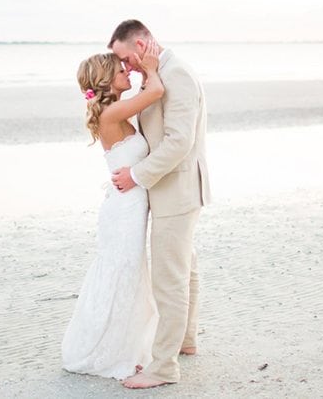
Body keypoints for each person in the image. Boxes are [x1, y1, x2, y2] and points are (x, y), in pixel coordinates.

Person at [109, 20, 211, 389]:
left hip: (177, 190)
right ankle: (186, 340)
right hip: (176, 189)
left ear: (141, 42)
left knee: (168, 280)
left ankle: (164, 366)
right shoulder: (160, 72)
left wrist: (136, 175)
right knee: (186, 268)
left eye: (125, 57)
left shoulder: (177, 73)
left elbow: (179, 142)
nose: (126, 66)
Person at [60, 43, 164, 380]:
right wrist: (149, 67)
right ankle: (112, 353)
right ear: (107, 79)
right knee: (124, 277)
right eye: (121, 69)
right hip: (124, 213)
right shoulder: (111, 114)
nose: (127, 72)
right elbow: (158, 90)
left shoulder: (116, 111)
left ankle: (126, 347)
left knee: (129, 276)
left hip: (129, 207)